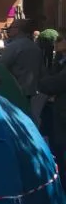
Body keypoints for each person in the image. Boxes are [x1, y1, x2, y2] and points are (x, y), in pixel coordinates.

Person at [39, 32, 66, 176]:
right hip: (56, 110)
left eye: (60, 40)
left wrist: (43, 82)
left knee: (61, 148)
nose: (56, 42)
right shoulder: (60, 60)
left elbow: (53, 83)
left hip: (62, 113)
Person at [0, 19, 44, 102]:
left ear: (18, 30)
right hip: (31, 91)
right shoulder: (35, 47)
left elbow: (1, 66)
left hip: (15, 90)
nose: (8, 30)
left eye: (11, 27)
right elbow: (42, 70)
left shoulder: (14, 46)